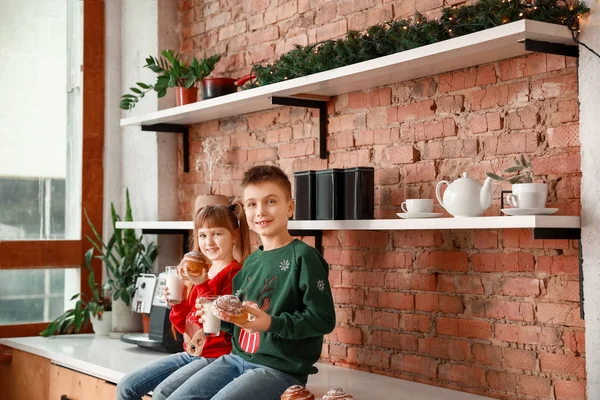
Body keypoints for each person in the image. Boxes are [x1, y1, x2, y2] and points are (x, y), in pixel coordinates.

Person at [167, 165, 336, 400]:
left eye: (270, 201)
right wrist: (221, 318)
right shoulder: (251, 262)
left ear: (290, 207)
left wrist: (270, 324)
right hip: (237, 359)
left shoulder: (304, 257)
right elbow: (241, 320)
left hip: (281, 370)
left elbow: (323, 319)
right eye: (252, 204)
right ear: (245, 211)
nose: (260, 211)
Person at [116, 202, 251, 400]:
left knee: (163, 394)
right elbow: (186, 329)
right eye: (203, 235)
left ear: (235, 236)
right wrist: (176, 303)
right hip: (192, 353)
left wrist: (203, 285)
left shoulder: (236, 274)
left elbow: (218, 328)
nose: (209, 242)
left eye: (217, 234)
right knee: (126, 386)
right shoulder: (199, 272)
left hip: (217, 357)